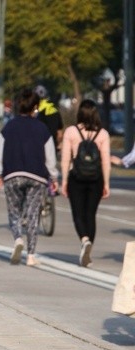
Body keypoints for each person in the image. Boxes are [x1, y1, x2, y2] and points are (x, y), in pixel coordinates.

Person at [0, 88, 58, 267]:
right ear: (35, 107)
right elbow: (50, 156)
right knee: (32, 214)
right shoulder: (42, 128)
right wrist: (54, 176)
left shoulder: (8, 127)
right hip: (37, 176)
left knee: (14, 211)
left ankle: (17, 239)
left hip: (12, 174)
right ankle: (31, 255)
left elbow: (0, 152)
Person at [60, 99, 111, 267]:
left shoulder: (71, 132)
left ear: (80, 113)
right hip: (96, 179)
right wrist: (107, 184)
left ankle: (84, 240)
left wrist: (64, 180)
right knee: (90, 215)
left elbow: (66, 158)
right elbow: (105, 161)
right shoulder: (103, 134)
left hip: (77, 178)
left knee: (78, 214)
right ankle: (88, 248)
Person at [35, 85, 64, 153]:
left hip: (39, 145)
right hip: (52, 145)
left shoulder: (37, 110)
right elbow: (60, 133)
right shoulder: (54, 109)